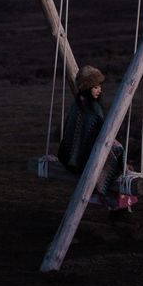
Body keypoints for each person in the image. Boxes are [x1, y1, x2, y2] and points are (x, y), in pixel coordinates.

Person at [58, 64, 124, 198]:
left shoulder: (78, 104)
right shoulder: (92, 109)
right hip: (83, 160)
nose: (99, 90)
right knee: (118, 152)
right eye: (95, 87)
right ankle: (115, 201)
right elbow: (100, 136)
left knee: (117, 151)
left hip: (70, 157)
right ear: (86, 88)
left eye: (100, 86)